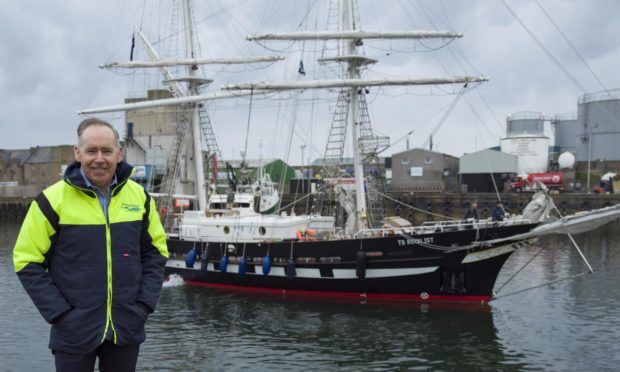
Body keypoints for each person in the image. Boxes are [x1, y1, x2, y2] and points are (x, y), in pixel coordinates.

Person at [13, 118, 168, 372]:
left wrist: (143, 306)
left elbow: (156, 253)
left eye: (107, 151)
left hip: (126, 326)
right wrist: (61, 315)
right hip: (73, 330)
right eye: (91, 151)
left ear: (118, 153)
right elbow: (26, 260)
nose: (99, 158)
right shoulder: (52, 201)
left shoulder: (139, 198)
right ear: (78, 153)